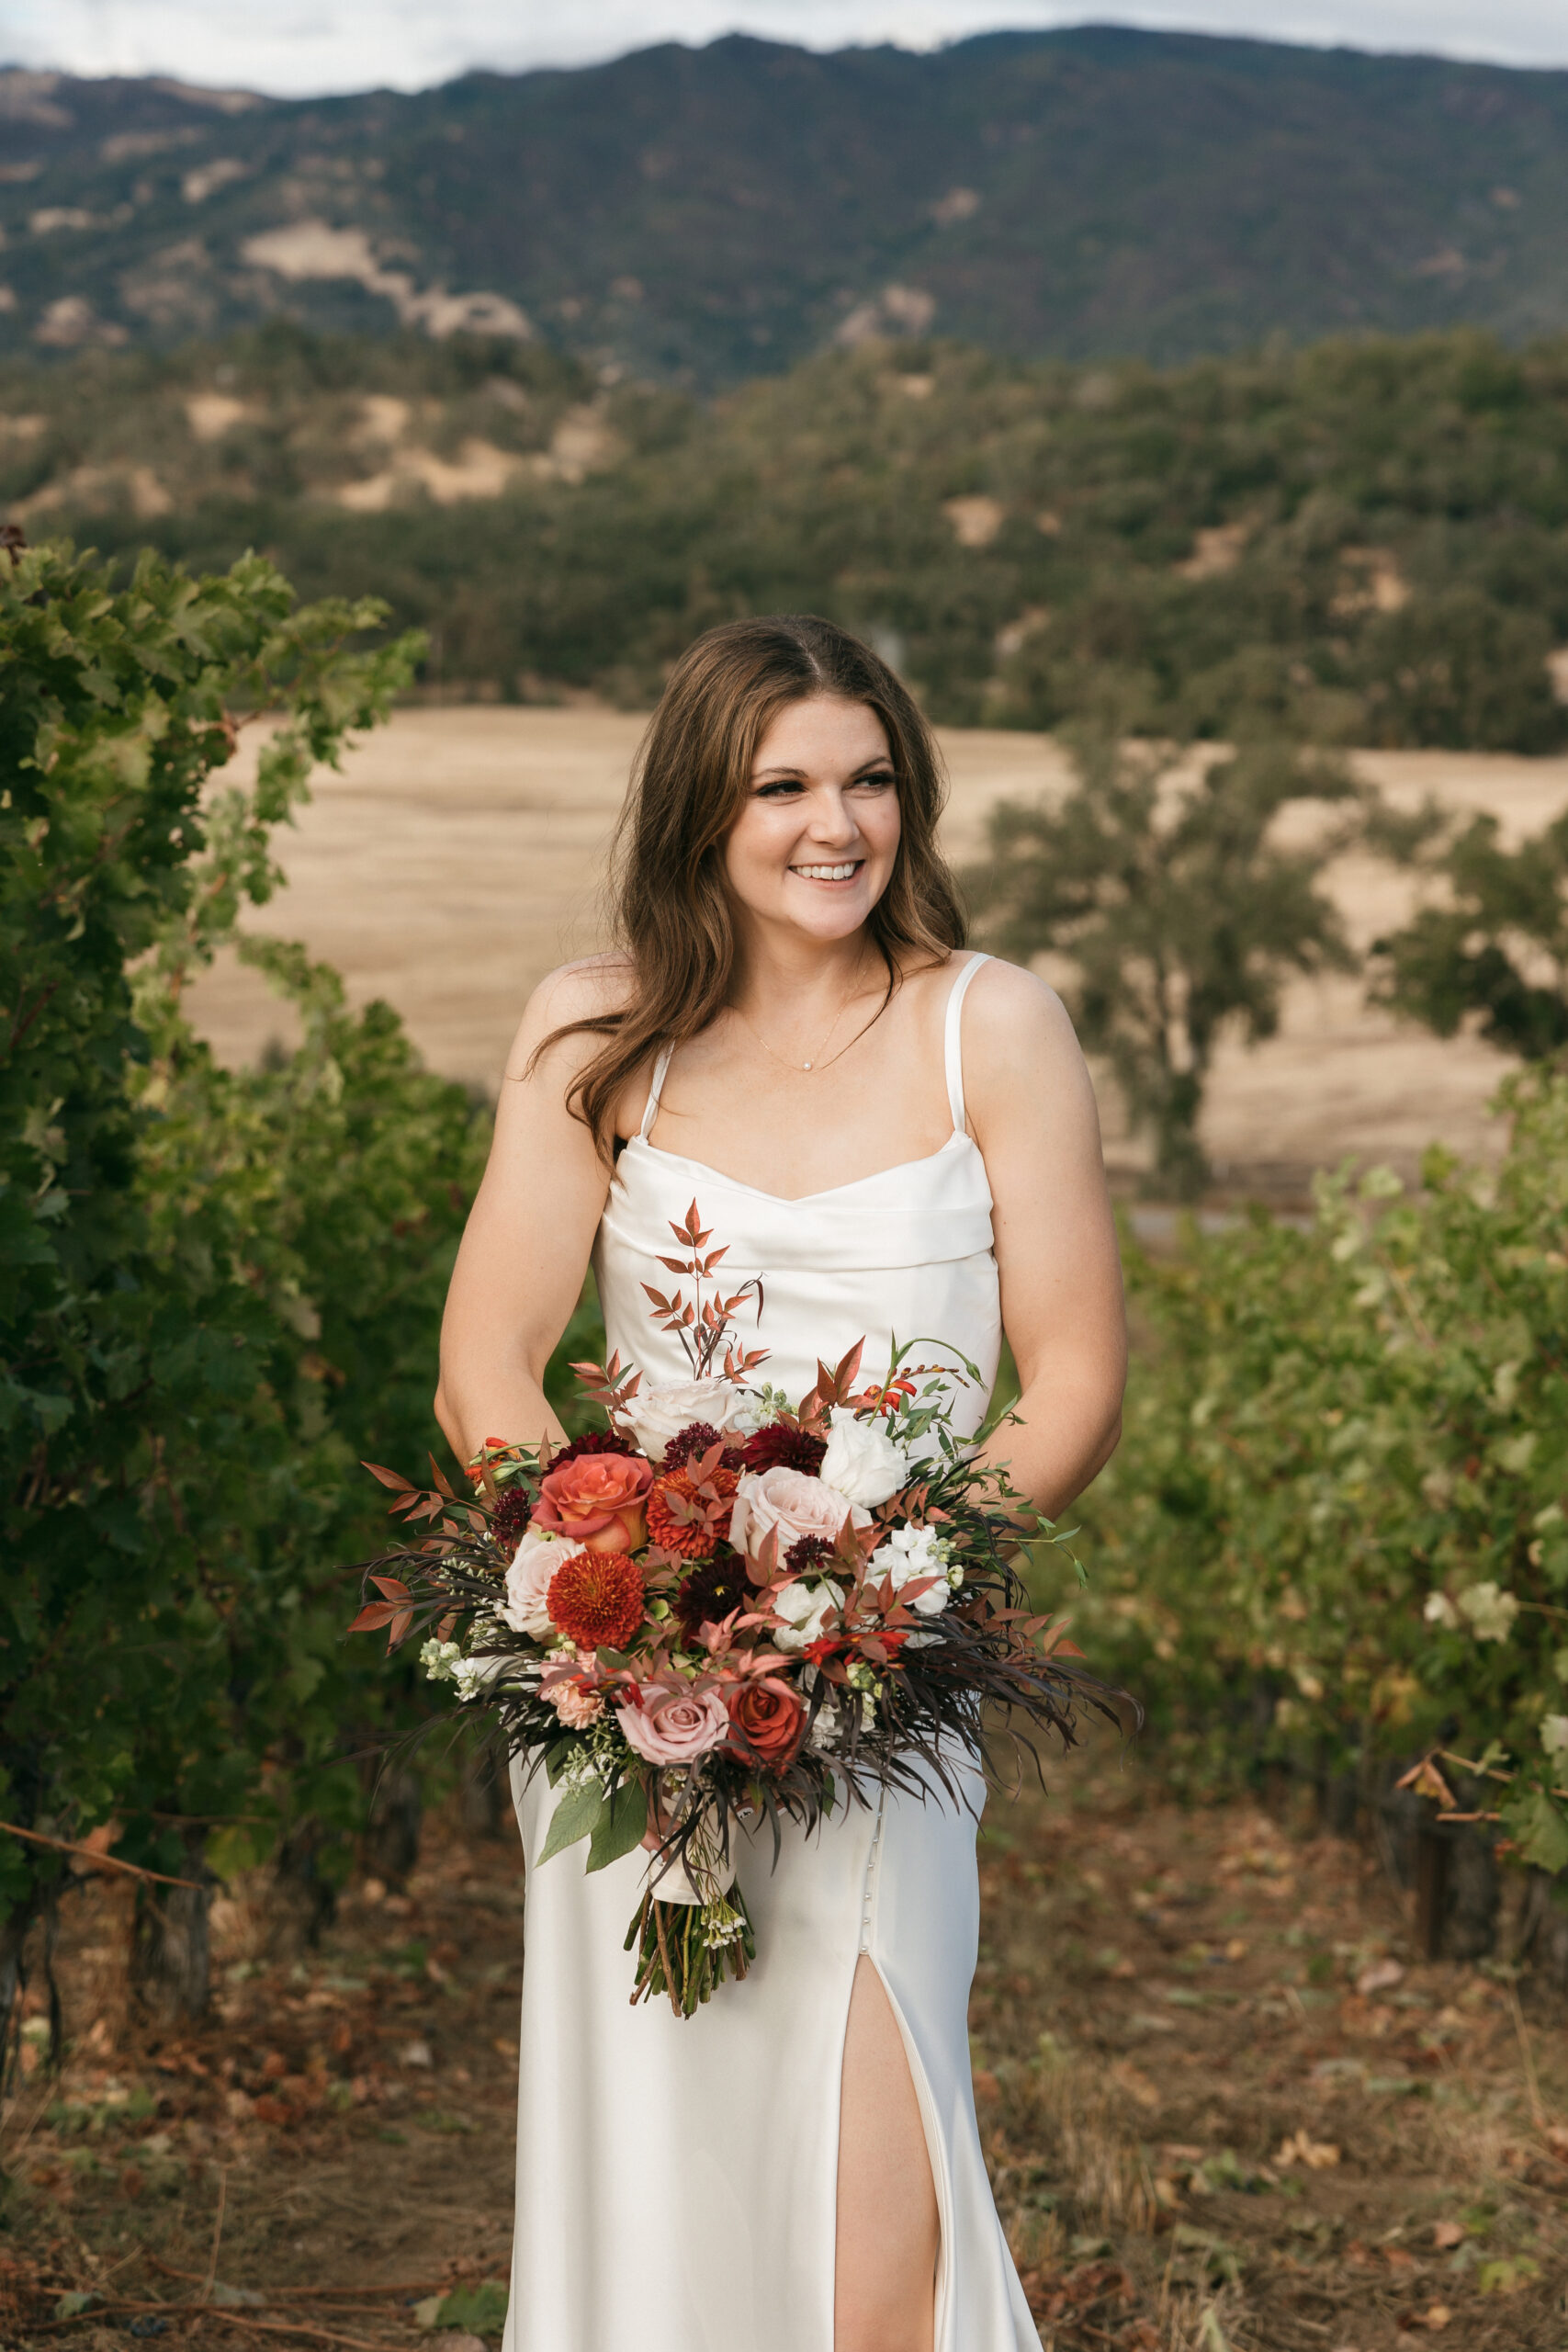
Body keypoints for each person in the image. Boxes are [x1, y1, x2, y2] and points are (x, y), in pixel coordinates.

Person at [434, 615, 1126, 2352]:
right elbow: (488, 1368)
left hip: (894, 1689)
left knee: (877, 2199)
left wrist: (881, 1605)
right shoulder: (592, 1033)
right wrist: (619, 1598)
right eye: (787, 785)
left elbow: (1078, 1380)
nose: (840, 825)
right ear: (703, 810)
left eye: (873, 780)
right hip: (638, 1702)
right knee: (661, 2163)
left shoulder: (994, 1026)